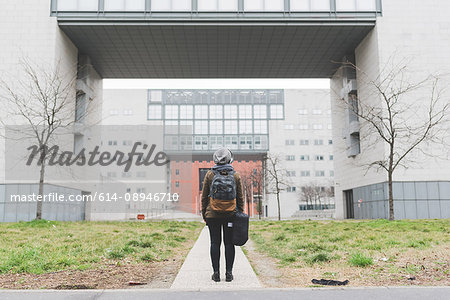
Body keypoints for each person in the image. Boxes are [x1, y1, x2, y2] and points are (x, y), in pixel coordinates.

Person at [201, 148, 244, 282]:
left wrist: (204, 214)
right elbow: (240, 197)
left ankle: (216, 273)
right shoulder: (235, 175)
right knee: (229, 243)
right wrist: (240, 214)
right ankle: (229, 273)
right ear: (230, 159)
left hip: (212, 214)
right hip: (231, 214)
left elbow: (204, 197)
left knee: (215, 242)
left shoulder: (210, 174)